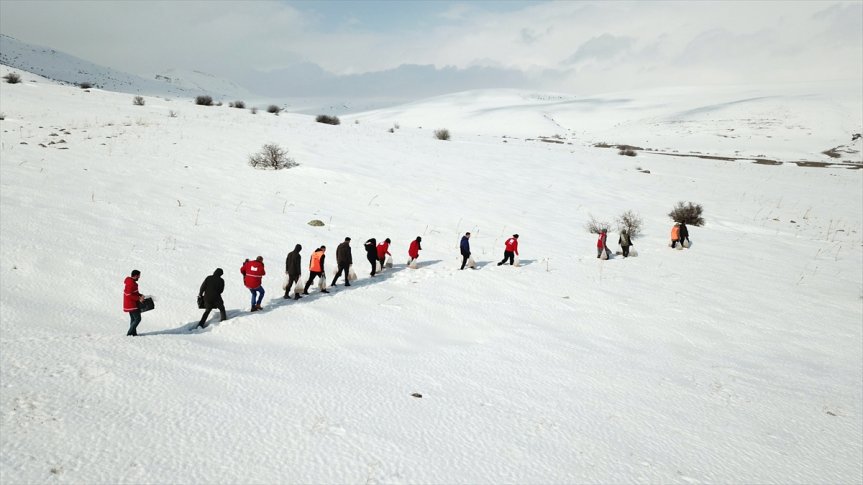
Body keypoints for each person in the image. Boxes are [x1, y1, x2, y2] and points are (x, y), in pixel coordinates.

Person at [123, 269, 145, 336]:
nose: (139, 277)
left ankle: (133, 334)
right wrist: (139, 298)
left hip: (131, 304)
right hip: (131, 304)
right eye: (138, 276)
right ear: (135, 276)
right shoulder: (130, 283)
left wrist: (140, 295)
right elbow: (128, 294)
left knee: (133, 319)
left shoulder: (131, 282)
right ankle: (129, 333)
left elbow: (134, 292)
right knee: (138, 319)